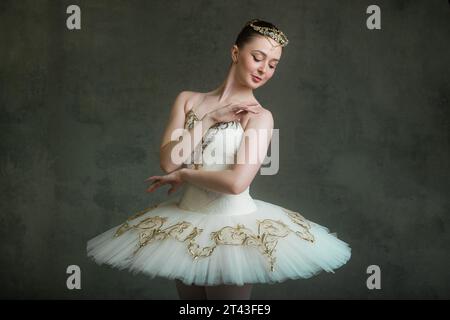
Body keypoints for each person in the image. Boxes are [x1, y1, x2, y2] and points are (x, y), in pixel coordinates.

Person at [87, 19, 351, 300]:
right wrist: (209, 119)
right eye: (258, 57)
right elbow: (169, 161)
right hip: (184, 224)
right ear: (236, 53)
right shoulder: (189, 101)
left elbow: (237, 183)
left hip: (232, 229)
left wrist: (186, 175)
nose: (264, 69)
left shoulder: (260, 117)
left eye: (273, 64)